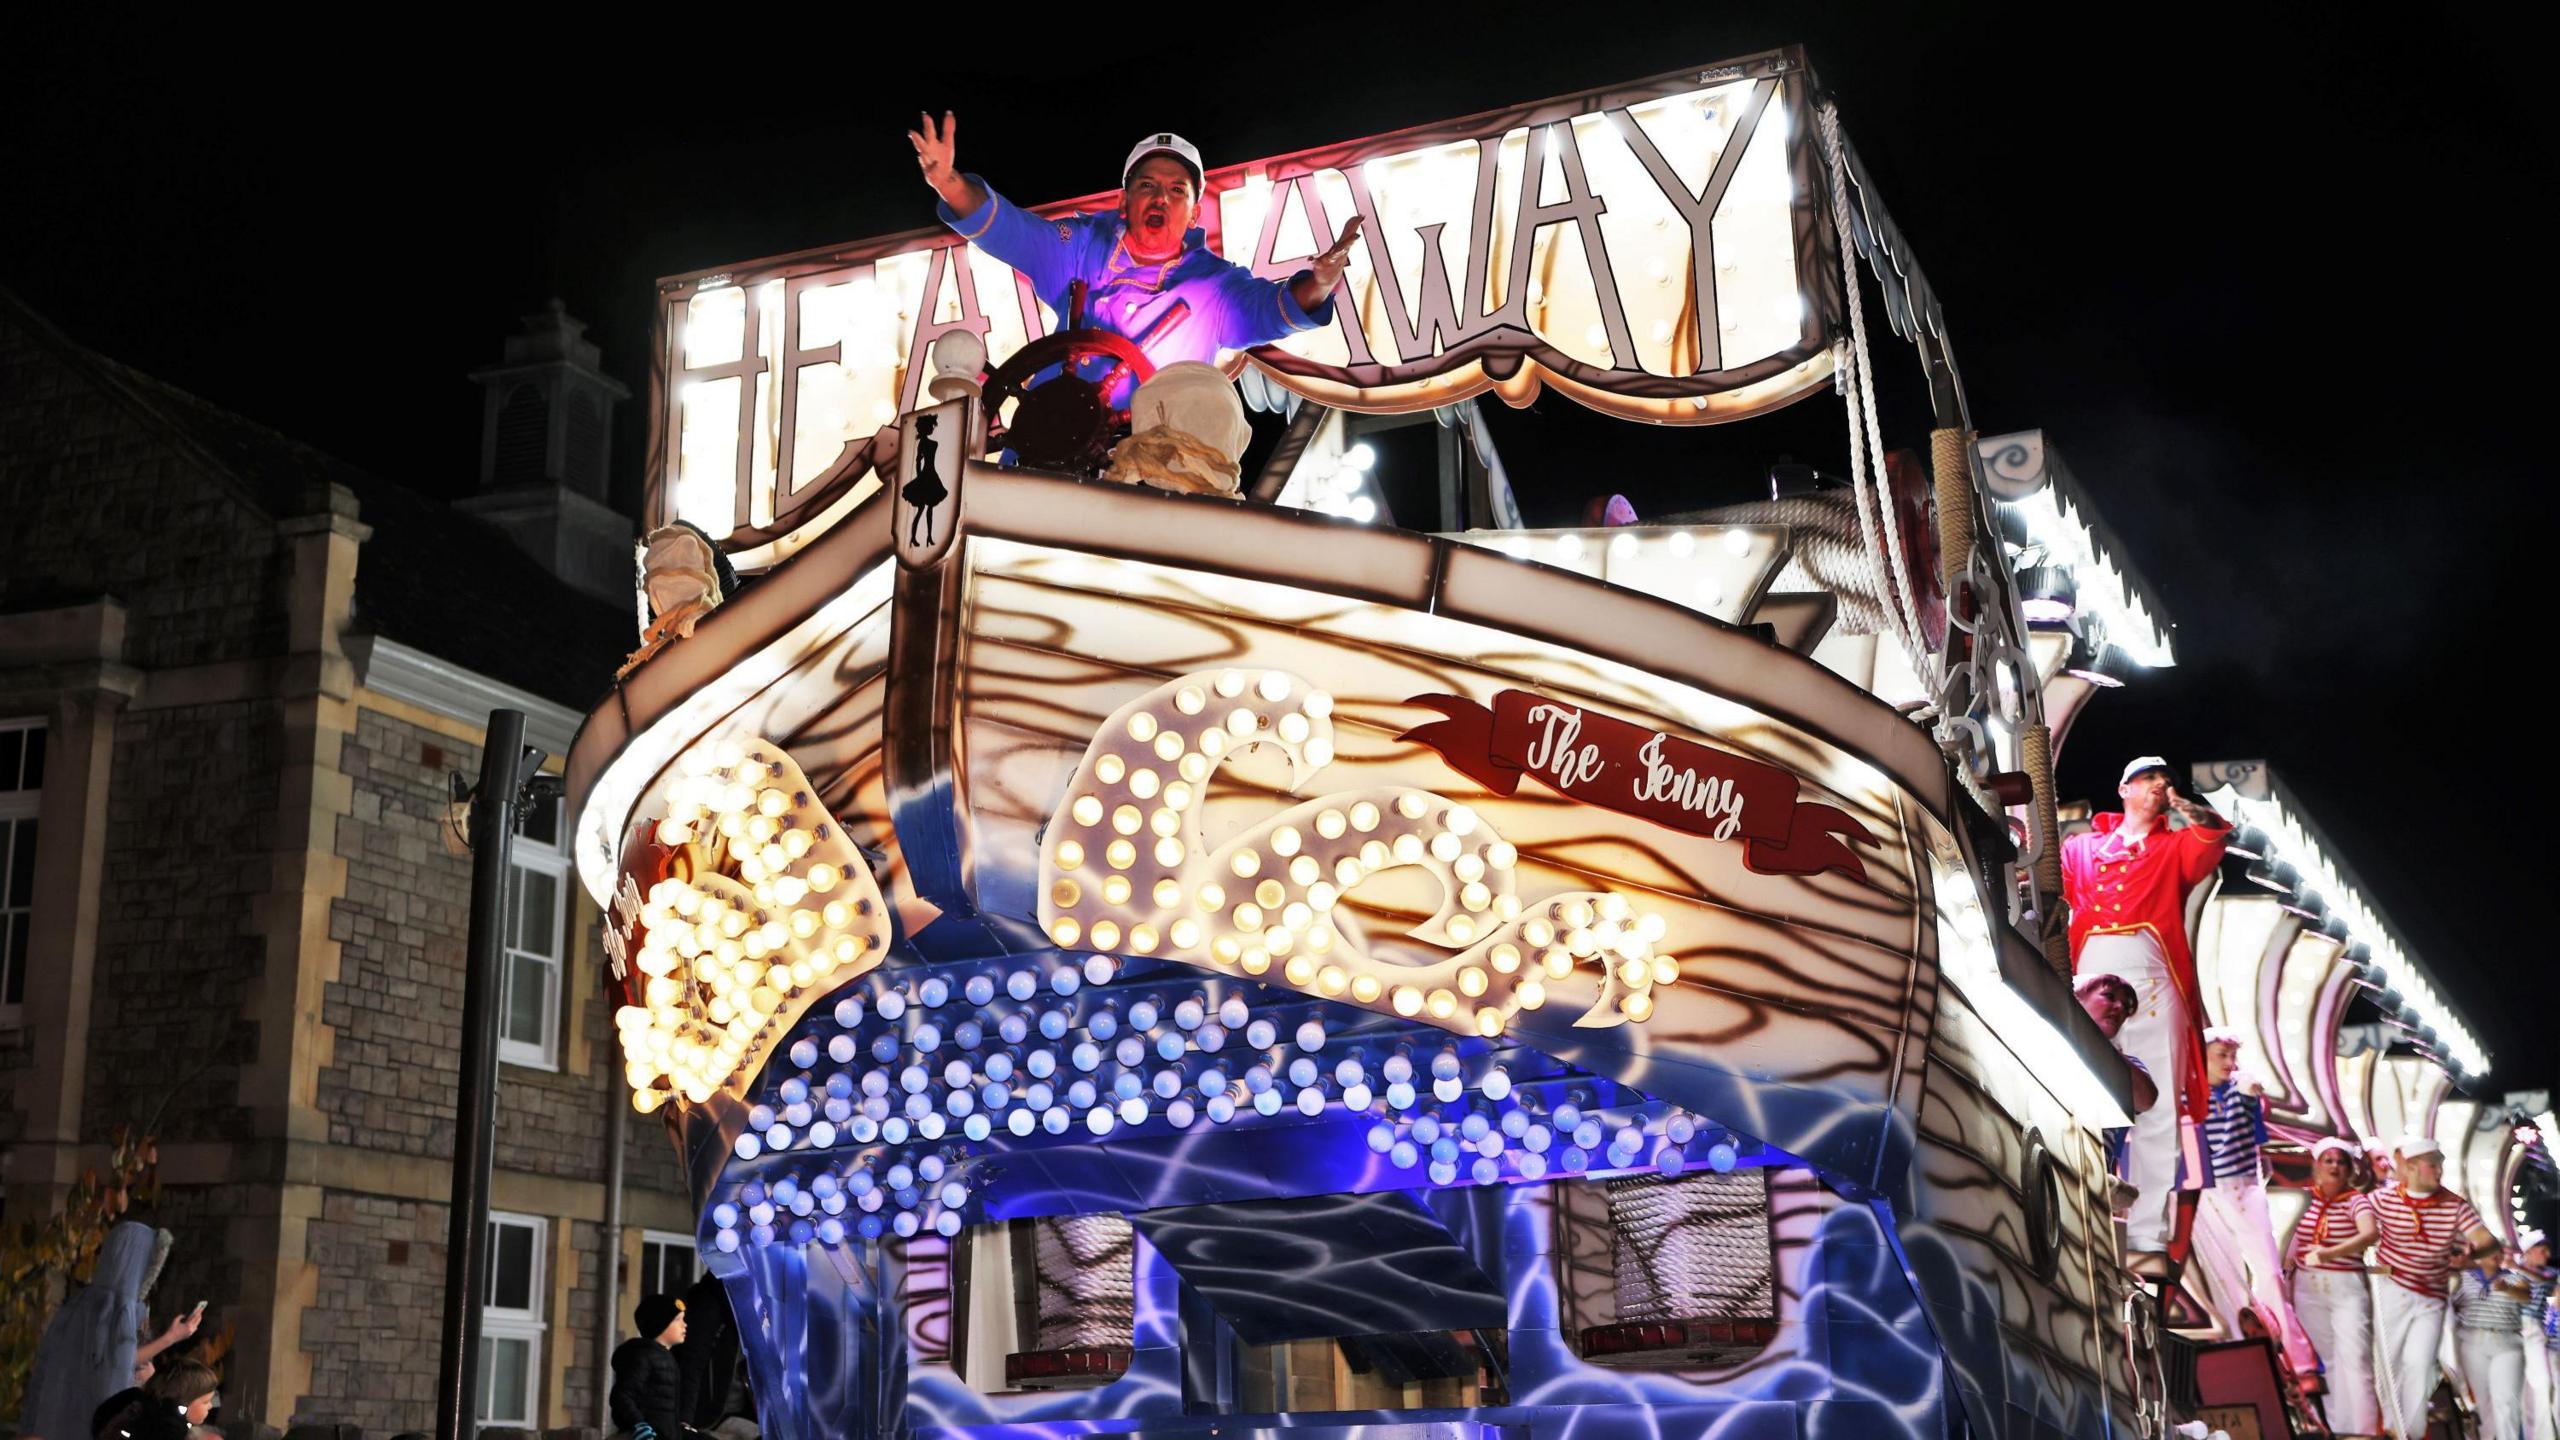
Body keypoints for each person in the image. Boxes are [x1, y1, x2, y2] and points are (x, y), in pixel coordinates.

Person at [910, 115, 1359, 387]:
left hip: (1160, 472)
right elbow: (1008, 228)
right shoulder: (1079, 248)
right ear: (1125, 201)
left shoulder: (1214, 285)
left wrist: (1318, 284)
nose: (1160, 198)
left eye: (1175, 190)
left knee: (1213, 398)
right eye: (1147, 186)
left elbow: (1271, 309)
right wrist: (948, 183)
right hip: (1052, 454)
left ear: (1195, 212)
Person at [2063, 755, 2231, 1267]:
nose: (2160, 785)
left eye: (2165, 781)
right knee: (2078, 1091)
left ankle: (2148, 1235)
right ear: (2124, 787)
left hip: (2155, 982)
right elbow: (2053, 889)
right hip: (2091, 978)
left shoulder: (2173, 845)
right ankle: (2081, 1204)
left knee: (2157, 1111)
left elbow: (2210, 843)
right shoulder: (2082, 847)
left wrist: (2192, 810)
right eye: (2149, 778)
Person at [2195, 1027, 2318, 1380]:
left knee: (2267, 1270)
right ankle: (2239, 1352)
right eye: (2223, 1055)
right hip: (2209, 1191)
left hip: (2243, 1187)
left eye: (2233, 1055)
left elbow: (2246, 1138)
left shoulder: (2242, 1089)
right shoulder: (2193, 1091)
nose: (2231, 1063)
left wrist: (2249, 1100)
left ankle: (2297, 1357)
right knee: (2224, 1272)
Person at [17, 1223, 201, 1440]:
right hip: (89, 1420)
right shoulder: (115, 1310)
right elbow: (118, 1361)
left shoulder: (83, 1301)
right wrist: (171, 1338)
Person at [2371, 1136, 2498, 1440]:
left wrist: (2472, 1252)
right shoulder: (2383, 1200)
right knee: (2387, 1364)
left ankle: (2410, 1434)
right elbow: (2357, 1225)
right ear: (2412, 1168)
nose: (2439, 1172)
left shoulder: (2454, 1204)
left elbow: (2487, 1240)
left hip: (2431, 1298)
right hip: (2391, 1290)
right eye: (2433, 1166)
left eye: (2440, 1165)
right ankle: (2391, 1426)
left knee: (2419, 1363)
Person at [2289, 1137, 2381, 1437]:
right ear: (2317, 1165)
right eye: (2328, 1160)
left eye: (2340, 1161)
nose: (2334, 1166)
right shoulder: (2305, 1199)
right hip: (2308, 1286)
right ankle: (2337, 1428)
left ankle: (2364, 1430)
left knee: (2355, 1357)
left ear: (2349, 1168)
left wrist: (2329, 1252)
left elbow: (2370, 1234)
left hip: (2345, 1285)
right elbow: (2291, 1236)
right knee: (2323, 1358)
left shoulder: (2356, 1200)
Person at [2455, 1238, 2539, 1440]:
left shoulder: (2514, 1278)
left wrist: (2506, 1289)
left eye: (2499, 1250)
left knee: (2507, 1402)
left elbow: (2526, 1295)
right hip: (2472, 1342)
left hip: (2507, 1344)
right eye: (2489, 1250)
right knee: (2482, 1404)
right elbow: (2450, 1303)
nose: (2496, 1254)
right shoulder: (2462, 1278)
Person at [612, 1294, 693, 1440]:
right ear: (660, 1324)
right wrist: (639, 1425)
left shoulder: (666, 1357)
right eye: (677, 1320)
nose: (684, 1324)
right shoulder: (645, 1357)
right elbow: (622, 1395)